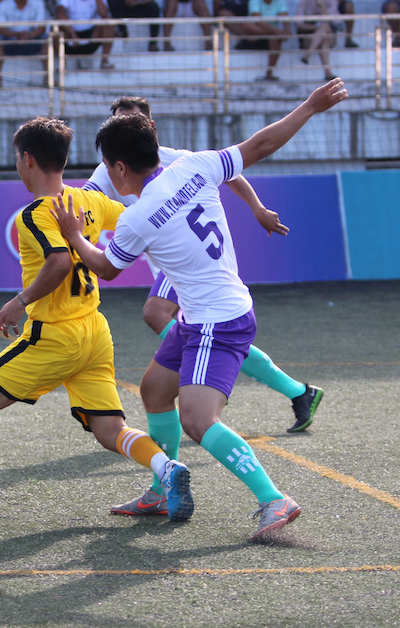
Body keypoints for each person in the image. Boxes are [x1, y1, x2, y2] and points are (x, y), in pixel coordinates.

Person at [52, 79, 348, 539]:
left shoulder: (137, 217)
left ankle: (274, 499)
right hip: (201, 312)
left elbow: (105, 268)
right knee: (153, 390)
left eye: (110, 168)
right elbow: (262, 143)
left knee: (198, 419)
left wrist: (73, 235)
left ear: (119, 167)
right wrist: (309, 105)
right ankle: (161, 490)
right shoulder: (197, 164)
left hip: (217, 320)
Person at [0, 116, 195, 523]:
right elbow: (134, 219)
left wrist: (20, 301)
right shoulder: (87, 201)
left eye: (17, 158)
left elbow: (58, 263)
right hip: (94, 331)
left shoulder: (34, 214)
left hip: (55, 335)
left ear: (27, 159)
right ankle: (166, 468)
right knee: (108, 429)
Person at [0, 0, 48, 88]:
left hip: (32, 41)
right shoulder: (3, 5)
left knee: (47, 40)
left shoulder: (38, 3)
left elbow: (41, 28)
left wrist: (29, 35)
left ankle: (47, 79)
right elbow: (0, 29)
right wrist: (16, 35)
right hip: (11, 41)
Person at [233, 0, 291, 81]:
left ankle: (269, 73)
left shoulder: (279, 1)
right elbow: (257, 19)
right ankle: (272, 34)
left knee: (276, 39)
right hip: (255, 36)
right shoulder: (254, 1)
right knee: (247, 25)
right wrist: (275, 31)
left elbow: (284, 16)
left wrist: (287, 30)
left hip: (271, 36)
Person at [55, 0, 115, 70]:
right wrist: (72, 33)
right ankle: (62, 64)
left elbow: (104, 14)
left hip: (92, 35)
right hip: (70, 34)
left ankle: (105, 62)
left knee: (108, 22)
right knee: (56, 27)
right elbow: (59, 11)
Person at [295, 0, 339, 81]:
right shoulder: (304, 2)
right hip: (310, 35)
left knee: (325, 27)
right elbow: (298, 23)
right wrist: (315, 28)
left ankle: (308, 55)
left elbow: (332, 20)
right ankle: (328, 73)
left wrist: (321, 6)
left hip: (329, 34)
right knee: (323, 38)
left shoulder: (332, 1)